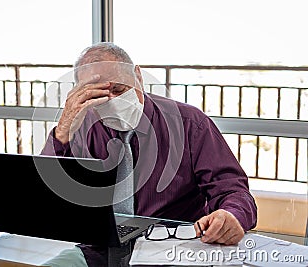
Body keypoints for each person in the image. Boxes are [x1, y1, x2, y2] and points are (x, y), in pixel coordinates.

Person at [41, 42, 257, 266]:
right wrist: (63, 131)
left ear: (138, 76)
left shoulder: (189, 124)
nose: (112, 101)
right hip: (99, 251)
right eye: (98, 95)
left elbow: (232, 189)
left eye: (119, 89)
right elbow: (45, 198)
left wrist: (232, 215)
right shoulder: (81, 127)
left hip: (173, 250)